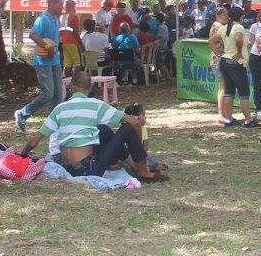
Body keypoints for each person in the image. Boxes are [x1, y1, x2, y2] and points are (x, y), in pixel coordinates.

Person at [15, 70, 166, 182]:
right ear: (90, 87)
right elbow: (134, 122)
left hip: (65, 166)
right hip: (88, 170)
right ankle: (141, 169)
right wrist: (138, 149)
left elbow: (34, 141)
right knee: (127, 126)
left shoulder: (59, 108)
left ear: (72, 87)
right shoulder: (96, 105)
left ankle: (132, 165)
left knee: (103, 130)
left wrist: (22, 154)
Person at [14, 0, 64, 132]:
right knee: (48, 93)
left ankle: (55, 125)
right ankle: (22, 113)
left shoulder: (56, 18)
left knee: (58, 95)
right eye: (60, 4)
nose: (62, 7)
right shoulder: (43, 18)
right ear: (52, 4)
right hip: (43, 62)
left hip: (55, 60)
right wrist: (46, 45)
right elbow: (33, 34)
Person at [210, 7, 257, 128]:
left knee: (229, 91)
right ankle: (248, 119)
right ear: (241, 17)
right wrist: (240, 52)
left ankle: (228, 119)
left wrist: (218, 52)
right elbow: (238, 39)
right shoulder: (239, 27)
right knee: (244, 92)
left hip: (224, 61)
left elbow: (211, 41)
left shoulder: (223, 28)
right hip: (236, 62)